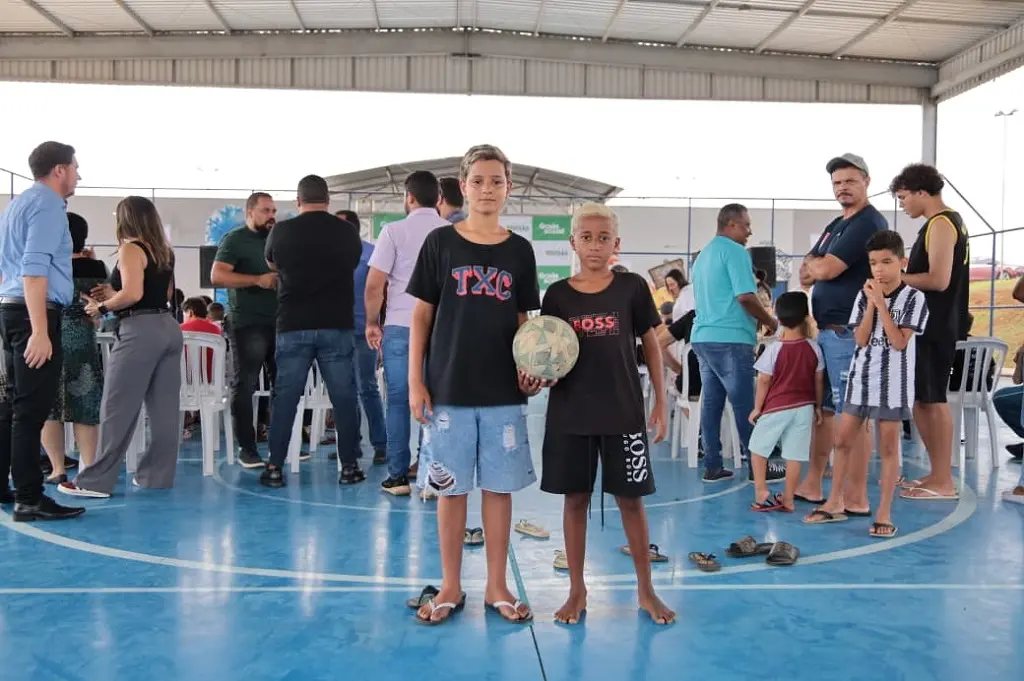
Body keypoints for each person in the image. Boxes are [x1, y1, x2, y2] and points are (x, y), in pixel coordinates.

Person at [407, 144, 543, 625]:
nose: (488, 189)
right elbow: (420, 316)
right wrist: (415, 382)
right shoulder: (440, 244)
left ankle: (496, 586)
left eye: (497, 181)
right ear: (462, 186)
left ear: (509, 188)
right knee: (450, 490)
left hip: (504, 392)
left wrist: (532, 371)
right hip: (448, 389)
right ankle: (449, 586)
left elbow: (527, 321)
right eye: (479, 181)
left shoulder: (519, 250)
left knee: (500, 490)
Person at [540, 202, 673, 625]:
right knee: (574, 499)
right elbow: (548, 351)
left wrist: (661, 400)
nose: (595, 246)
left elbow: (651, 343)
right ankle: (577, 590)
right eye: (586, 238)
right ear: (572, 242)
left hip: (623, 411)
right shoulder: (557, 295)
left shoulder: (632, 287)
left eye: (603, 239)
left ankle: (647, 591)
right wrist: (541, 375)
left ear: (616, 244)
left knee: (631, 502)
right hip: (570, 413)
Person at [805, 231, 928, 538]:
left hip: (893, 382)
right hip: (861, 379)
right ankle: (835, 501)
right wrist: (872, 304)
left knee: (888, 448)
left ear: (902, 262)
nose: (880, 269)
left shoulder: (914, 298)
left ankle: (884, 511)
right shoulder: (864, 296)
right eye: (874, 263)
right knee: (842, 440)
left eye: (886, 262)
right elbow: (859, 339)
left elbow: (899, 342)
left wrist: (882, 306)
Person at [58, 196, 182, 498]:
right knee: (165, 410)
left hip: (139, 331)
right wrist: (114, 294)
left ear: (125, 218)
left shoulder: (130, 248)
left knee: (116, 408)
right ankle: (156, 476)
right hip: (167, 328)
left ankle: (94, 482)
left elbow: (133, 294)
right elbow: (160, 294)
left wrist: (101, 308)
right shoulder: (164, 251)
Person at [793, 154, 887, 512]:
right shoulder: (837, 224)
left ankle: (856, 495)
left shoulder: (868, 223)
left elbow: (827, 269)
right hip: (828, 334)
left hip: (850, 333)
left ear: (866, 181)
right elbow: (806, 271)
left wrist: (819, 266)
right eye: (837, 182)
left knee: (855, 415)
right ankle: (815, 483)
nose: (842, 187)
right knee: (827, 411)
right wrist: (816, 267)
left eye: (849, 180)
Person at [259, 175, 365, 488]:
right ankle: (349, 467)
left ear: (298, 200)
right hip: (336, 324)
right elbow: (353, 262)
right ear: (328, 200)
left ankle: (275, 467)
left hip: (293, 324)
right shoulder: (346, 232)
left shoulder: (281, 230)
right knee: (344, 398)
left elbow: (270, 262)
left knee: (286, 398)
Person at [0, 141, 84, 521]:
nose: (79, 175)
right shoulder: (49, 206)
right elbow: (34, 269)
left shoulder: (17, 204)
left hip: (11, 308)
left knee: (14, 406)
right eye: (75, 168)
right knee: (30, 411)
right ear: (60, 170)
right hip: (33, 312)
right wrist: (39, 331)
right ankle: (30, 497)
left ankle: (7, 487)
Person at [365, 170, 449, 496]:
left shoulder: (393, 231)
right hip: (442, 329)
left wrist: (373, 322)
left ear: (408, 197)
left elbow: (374, 285)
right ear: (439, 200)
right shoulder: (452, 234)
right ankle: (431, 476)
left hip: (400, 326)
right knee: (438, 403)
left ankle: (398, 478)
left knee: (398, 401)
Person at [891, 164, 969, 502]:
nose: (903, 205)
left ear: (922, 191)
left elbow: (939, 280)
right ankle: (937, 473)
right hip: (930, 324)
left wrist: (896, 277)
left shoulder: (940, 224)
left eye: (904, 197)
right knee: (923, 400)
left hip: (935, 325)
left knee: (933, 400)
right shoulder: (940, 224)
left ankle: (944, 481)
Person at [690, 203, 781, 483]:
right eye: (746, 225)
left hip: (703, 338)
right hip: (730, 338)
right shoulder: (736, 252)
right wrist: (771, 321)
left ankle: (713, 466)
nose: (750, 231)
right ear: (731, 224)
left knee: (712, 404)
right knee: (745, 404)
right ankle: (759, 467)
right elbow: (745, 296)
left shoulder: (703, 255)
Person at [211, 192, 279, 469]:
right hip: (247, 322)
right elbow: (216, 275)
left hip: (280, 322)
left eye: (273, 210)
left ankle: (281, 442)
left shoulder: (279, 240)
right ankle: (247, 448)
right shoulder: (235, 239)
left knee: (284, 384)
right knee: (246, 384)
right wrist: (257, 280)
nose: (271, 215)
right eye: (265, 210)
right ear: (250, 212)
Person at [40, 212, 108, 485]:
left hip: (50, 339)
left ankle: (57, 468)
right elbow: (101, 311)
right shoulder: (97, 268)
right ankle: (87, 469)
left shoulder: (47, 266)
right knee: (84, 407)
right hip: (83, 341)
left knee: (49, 408)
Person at [748, 292, 824, 513]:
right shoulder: (814, 348)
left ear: (778, 319)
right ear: (806, 316)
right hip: (805, 408)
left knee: (758, 448)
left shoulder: (774, 349)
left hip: (776, 407)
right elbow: (818, 380)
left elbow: (763, 380)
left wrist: (757, 408)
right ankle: (789, 498)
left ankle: (761, 491)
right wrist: (818, 407)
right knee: (794, 454)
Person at [336, 209, 386, 465]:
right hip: (335, 332)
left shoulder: (372, 254)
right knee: (344, 391)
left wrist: (378, 326)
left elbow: (382, 292)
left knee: (367, 387)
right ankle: (350, 445)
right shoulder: (328, 255)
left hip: (364, 332)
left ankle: (381, 444)